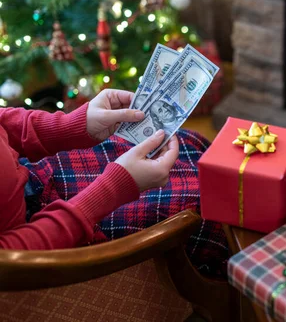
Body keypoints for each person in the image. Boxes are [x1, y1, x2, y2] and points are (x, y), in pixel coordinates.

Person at [0, 89, 179, 250]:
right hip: (45, 237)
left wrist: (71, 124)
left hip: (31, 177)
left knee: (187, 142)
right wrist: (116, 187)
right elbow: (11, 259)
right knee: (189, 207)